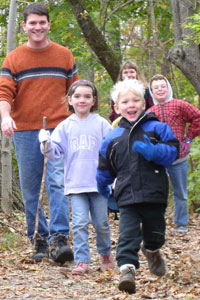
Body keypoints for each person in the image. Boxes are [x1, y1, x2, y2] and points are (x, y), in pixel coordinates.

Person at [0, 3, 79, 264]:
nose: (37, 27)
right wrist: (5, 117)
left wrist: (78, 123)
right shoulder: (14, 58)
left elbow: (76, 93)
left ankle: (59, 239)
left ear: (48, 25)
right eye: (32, 23)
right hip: (25, 129)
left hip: (58, 128)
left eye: (42, 22)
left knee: (56, 182)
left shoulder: (64, 55)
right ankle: (39, 238)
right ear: (24, 26)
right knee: (31, 187)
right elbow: (4, 94)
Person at [96, 79, 179, 294]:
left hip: (154, 193)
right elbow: (105, 165)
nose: (130, 105)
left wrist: (155, 152)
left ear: (143, 103)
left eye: (135, 100)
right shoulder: (112, 137)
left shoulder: (158, 128)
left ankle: (151, 249)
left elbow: (173, 152)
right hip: (126, 194)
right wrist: (102, 184)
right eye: (125, 102)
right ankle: (127, 270)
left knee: (156, 233)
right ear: (117, 107)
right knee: (128, 233)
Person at [38, 80, 114, 275]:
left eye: (87, 96)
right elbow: (54, 154)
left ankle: (105, 254)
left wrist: (114, 178)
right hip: (76, 184)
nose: (82, 100)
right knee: (79, 222)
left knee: (101, 224)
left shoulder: (101, 124)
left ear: (93, 100)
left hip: (99, 183)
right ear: (70, 100)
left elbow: (113, 151)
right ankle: (82, 260)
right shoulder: (65, 126)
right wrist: (45, 142)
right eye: (78, 96)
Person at [147, 74, 200, 234]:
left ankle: (181, 224)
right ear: (152, 92)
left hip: (179, 158)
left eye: (162, 86)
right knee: (157, 193)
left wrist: (188, 139)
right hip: (159, 161)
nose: (160, 89)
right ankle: (157, 225)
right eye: (156, 87)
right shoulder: (150, 111)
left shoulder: (179, 105)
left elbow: (197, 117)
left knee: (181, 193)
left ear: (168, 87)